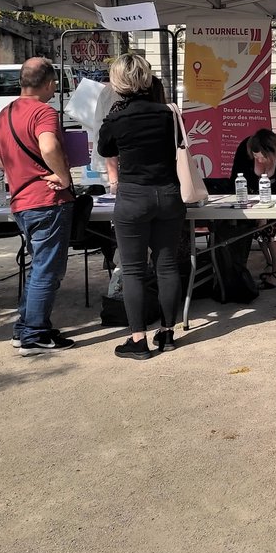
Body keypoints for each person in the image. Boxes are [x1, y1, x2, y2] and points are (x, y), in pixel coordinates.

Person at [98, 54, 185, 360]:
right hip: (169, 193)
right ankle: (168, 333)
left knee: (133, 270)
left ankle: (138, 340)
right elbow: (178, 146)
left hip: (134, 195)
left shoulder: (116, 118)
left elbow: (104, 148)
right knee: (167, 265)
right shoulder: (168, 113)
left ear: (117, 82)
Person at [0, 57, 75, 357]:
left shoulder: (5, 113)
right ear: (50, 83)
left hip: (21, 201)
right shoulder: (44, 112)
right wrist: (63, 177)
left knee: (39, 266)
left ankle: (26, 327)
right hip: (47, 199)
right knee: (47, 270)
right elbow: (49, 146)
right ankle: (34, 334)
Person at [231, 128, 276, 288]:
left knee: (273, 224)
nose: (260, 160)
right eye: (256, 157)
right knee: (256, 224)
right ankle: (271, 264)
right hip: (253, 201)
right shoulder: (244, 150)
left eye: (263, 157)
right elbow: (237, 179)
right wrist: (259, 212)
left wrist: (266, 212)